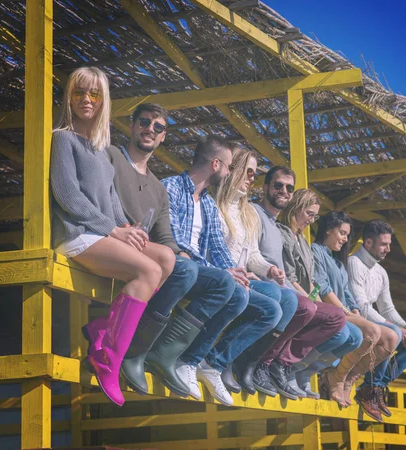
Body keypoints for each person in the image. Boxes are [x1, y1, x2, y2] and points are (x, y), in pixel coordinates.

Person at [50, 67, 174, 407]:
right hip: (77, 234)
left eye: (94, 94)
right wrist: (114, 230)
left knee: (165, 259)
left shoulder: (100, 149)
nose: (86, 100)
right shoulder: (62, 138)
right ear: (69, 97)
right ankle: (107, 359)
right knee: (147, 271)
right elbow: (68, 196)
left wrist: (127, 229)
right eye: (79, 93)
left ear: (104, 100)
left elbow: (111, 201)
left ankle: (104, 329)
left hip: (101, 233)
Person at [106, 103, 236, 398]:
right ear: (132, 124)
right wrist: (118, 228)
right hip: (112, 240)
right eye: (144, 122)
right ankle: (136, 349)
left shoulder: (156, 185)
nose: (150, 129)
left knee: (226, 283)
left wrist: (233, 269)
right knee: (186, 268)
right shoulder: (112, 157)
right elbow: (104, 200)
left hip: (147, 250)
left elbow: (165, 234)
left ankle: (170, 354)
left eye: (158, 127)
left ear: (164, 136)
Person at [213, 154, 345, 400]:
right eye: (278, 185)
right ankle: (256, 361)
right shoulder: (252, 211)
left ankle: (280, 365)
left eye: (288, 188)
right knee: (303, 306)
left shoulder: (277, 227)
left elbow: (254, 254)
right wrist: (261, 271)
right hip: (255, 284)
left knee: (340, 323)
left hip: (268, 284)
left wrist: (268, 269)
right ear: (265, 188)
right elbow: (246, 254)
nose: (283, 191)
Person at [162, 135, 281, 406]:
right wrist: (227, 272)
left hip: (207, 271)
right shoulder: (176, 188)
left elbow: (222, 248)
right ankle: (187, 357)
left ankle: (210, 363)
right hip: (181, 267)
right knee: (233, 290)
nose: (249, 178)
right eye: (237, 168)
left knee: (271, 304)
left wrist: (233, 270)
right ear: (218, 165)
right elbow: (173, 239)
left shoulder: (208, 203)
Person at [312, 212, 399, 421]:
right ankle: (337, 377)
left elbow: (348, 294)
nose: (345, 239)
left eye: (347, 235)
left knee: (392, 338)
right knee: (373, 330)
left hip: (345, 312)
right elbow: (322, 288)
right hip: (328, 311)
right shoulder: (316, 251)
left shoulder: (339, 263)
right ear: (327, 230)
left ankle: (350, 378)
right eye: (342, 233)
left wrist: (355, 312)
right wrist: (346, 310)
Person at [277, 188, 362, 399]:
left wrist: (354, 310)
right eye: (309, 214)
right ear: (296, 208)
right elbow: (292, 277)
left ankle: (306, 371)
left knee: (356, 336)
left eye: (315, 216)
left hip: (306, 298)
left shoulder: (304, 243)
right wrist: (311, 299)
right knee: (344, 331)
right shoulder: (285, 234)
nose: (311, 220)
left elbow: (344, 292)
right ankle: (291, 367)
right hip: (293, 296)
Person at [347, 219, 406, 418]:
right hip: (356, 321)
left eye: (389, 244)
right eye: (384, 244)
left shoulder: (381, 272)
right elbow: (363, 308)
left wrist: (405, 326)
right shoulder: (353, 262)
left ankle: (377, 387)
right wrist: (395, 328)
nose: (388, 249)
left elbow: (387, 309)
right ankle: (369, 389)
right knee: (390, 333)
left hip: (377, 324)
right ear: (368, 243)